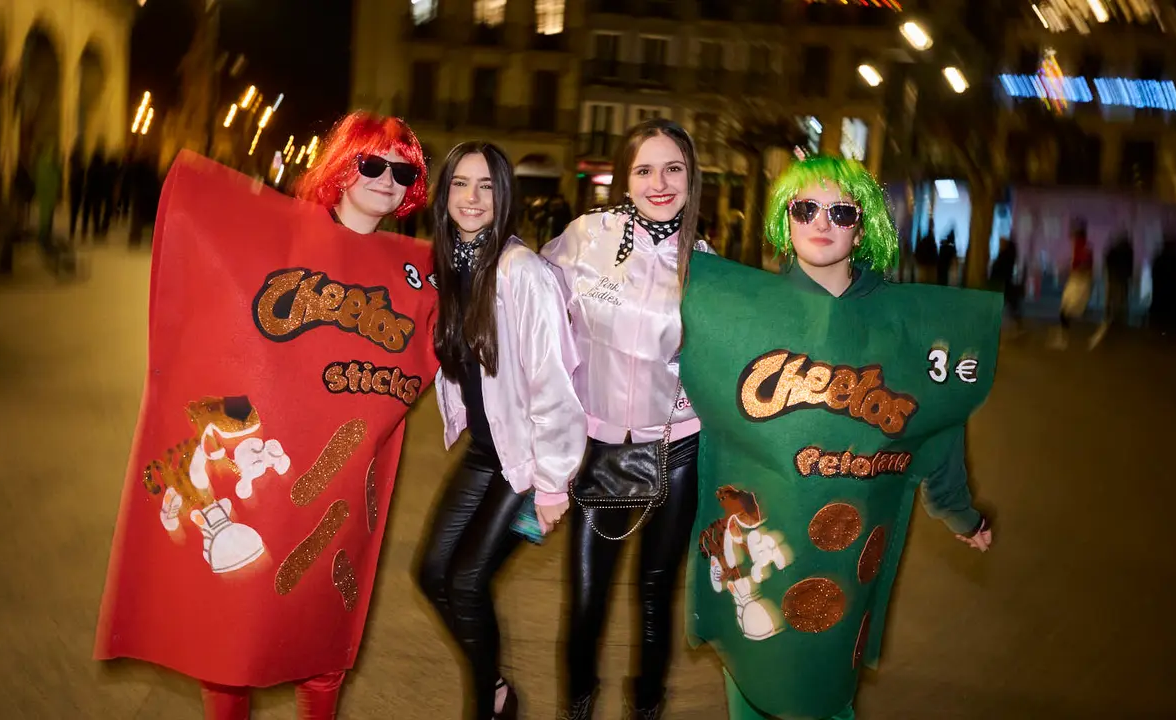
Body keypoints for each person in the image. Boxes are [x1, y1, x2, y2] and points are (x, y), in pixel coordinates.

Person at [95, 112, 439, 720]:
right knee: (233, 637)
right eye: (371, 163)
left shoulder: (419, 272)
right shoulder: (278, 231)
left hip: (338, 485)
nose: (387, 179)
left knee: (323, 640)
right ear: (343, 167)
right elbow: (206, 241)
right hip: (264, 476)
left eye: (402, 170)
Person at [680, 155, 998, 720]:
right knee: (754, 677)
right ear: (786, 219)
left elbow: (938, 421)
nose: (821, 221)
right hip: (763, 544)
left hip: (847, 558)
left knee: (825, 692)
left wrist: (958, 512)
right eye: (805, 208)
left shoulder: (900, 325)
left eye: (840, 210)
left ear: (863, 223)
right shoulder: (743, 312)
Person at [541, 118, 709, 720]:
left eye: (673, 169)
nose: (659, 183)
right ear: (624, 176)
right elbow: (531, 307)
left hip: (678, 448)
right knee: (586, 600)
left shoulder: (707, 266)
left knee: (655, 598)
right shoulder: (586, 237)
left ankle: (647, 708)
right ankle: (578, 707)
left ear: (691, 178)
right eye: (644, 170)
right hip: (599, 446)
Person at [417, 142, 586, 720]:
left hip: (532, 463)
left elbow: (554, 385)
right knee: (431, 573)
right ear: (444, 196)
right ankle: (495, 691)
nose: (471, 198)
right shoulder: (454, 266)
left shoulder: (522, 272)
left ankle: (488, 706)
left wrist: (554, 484)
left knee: (465, 582)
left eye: (486, 186)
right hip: (486, 453)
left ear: (504, 196)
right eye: (460, 184)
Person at [1051, 221, 1093, 349]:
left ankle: (1064, 339)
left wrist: (1073, 270)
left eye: (1074, 235)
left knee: (1066, 310)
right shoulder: (1080, 247)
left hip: (1079, 282)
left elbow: (1085, 266)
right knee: (1065, 310)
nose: (1071, 238)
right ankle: (1063, 337)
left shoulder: (1083, 248)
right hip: (1076, 281)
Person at [1090, 232, 1134, 349]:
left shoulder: (1114, 251)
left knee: (1112, 298)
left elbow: (1107, 259)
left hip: (1113, 277)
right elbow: (1129, 267)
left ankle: (1109, 319)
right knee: (1120, 299)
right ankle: (1118, 320)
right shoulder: (1127, 251)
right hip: (1121, 278)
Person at [989, 237, 1024, 334]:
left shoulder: (1004, 256)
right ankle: (1017, 323)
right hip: (1005, 284)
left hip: (1002, 284)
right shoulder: (1008, 256)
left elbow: (998, 270)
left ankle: (994, 324)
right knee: (1011, 305)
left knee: (1001, 305)